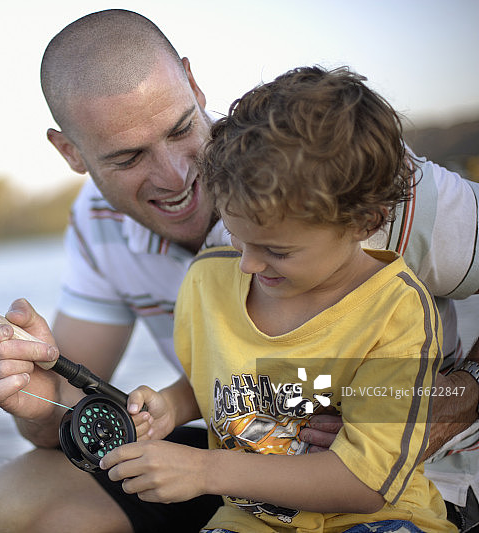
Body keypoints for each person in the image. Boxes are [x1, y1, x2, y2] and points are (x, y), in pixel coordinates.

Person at [0, 9, 479, 533]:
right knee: (21, 501)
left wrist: (462, 390)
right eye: (128, 158)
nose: (176, 176)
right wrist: (35, 396)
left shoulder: (346, 175)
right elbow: (70, 412)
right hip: (244, 481)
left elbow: (371, 475)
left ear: (193, 82)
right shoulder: (102, 227)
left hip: (424, 484)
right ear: (71, 152)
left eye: (181, 128)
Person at [99, 64, 455, 533]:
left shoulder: (396, 311)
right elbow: (221, 384)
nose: (247, 264)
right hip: (248, 522)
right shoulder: (209, 279)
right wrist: (170, 406)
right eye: (237, 237)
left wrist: (203, 470)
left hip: (381, 521)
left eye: (276, 250)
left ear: (365, 222)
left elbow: (366, 484)